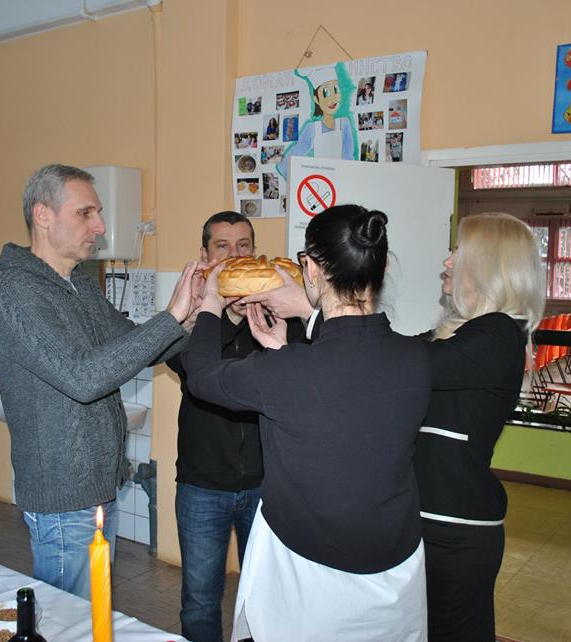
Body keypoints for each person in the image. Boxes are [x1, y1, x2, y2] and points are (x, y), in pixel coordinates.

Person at [182, 204, 431, 641]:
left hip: (309, 578)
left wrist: (211, 304)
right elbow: (345, 386)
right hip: (395, 572)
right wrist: (284, 347)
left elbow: (201, 375)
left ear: (310, 269)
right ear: (382, 267)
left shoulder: (288, 371)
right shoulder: (417, 357)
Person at [0, 164, 200, 600]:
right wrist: (171, 316)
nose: (100, 226)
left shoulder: (77, 282)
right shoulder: (12, 289)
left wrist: (193, 315)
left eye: (98, 213)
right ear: (43, 215)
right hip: (64, 497)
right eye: (86, 213)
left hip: (98, 487)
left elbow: (137, 345)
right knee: (71, 620)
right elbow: (82, 378)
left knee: (92, 613)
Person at [166, 212, 304, 642]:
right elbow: (190, 367)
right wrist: (225, 318)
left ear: (255, 253)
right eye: (222, 246)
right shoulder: (190, 314)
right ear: (205, 254)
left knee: (262, 597)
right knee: (200, 600)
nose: (233, 254)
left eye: (243, 245)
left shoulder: (279, 311)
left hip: (265, 484)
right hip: (202, 485)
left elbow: (300, 370)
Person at [414, 212, 545, 641]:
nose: (447, 261)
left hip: (455, 532)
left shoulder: (499, 334)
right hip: (433, 522)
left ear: (488, 265)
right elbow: (390, 351)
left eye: (459, 251)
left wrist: (327, 312)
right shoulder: (464, 333)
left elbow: (402, 365)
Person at [277, 65, 356, 178]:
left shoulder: (345, 124)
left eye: (336, 89)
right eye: (326, 93)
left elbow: (348, 157)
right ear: (316, 99)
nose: (333, 98)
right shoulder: (311, 128)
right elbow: (296, 153)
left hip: (340, 179)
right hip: (320, 180)